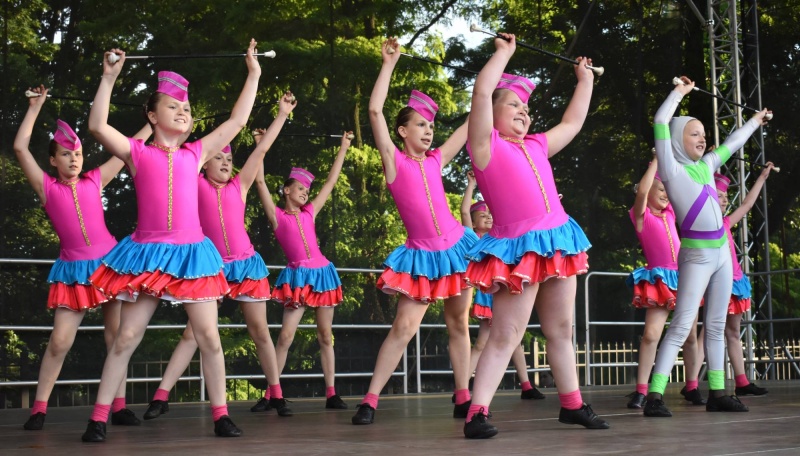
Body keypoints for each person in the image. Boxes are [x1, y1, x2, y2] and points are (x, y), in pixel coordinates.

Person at [81, 40, 261, 442]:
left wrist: (253, 74)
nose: (183, 111)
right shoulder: (136, 152)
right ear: (152, 115)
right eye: (173, 106)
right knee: (126, 337)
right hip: (147, 254)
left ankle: (221, 415)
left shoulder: (196, 154)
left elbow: (237, 121)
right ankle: (98, 418)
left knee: (209, 337)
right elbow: (97, 126)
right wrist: (108, 78)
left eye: (187, 108)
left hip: (192, 255)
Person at [461, 33, 608, 439]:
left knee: (561, 330)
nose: (523, 111)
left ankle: (572, 405)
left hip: (557, 241)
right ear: (491, 113)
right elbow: (482, 90)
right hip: (517, 249)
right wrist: (504, 54)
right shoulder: (485, 146)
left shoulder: (538, 145)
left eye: (526, 108)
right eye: (513, 104)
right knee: (506, 333)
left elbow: (572, 123)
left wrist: (585, 81)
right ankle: (476, 412)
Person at [141, 92, 297, 421]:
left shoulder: (240, 185)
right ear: (205, 161)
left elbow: (261, 151)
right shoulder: (193, 180)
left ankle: (276, 393)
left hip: (246, 265)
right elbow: (178, 152)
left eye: (229, 159)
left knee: (260, 331)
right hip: (211, 267)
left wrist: (282, 115)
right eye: (219, 158)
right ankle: (161, 395)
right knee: (192, 334)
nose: (226, 163)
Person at [351, 37, 476, 426]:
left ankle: (463, 396)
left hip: (457, 248)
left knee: (459, 323)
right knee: (403, 327)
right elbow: (374, 110)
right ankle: (370, 400)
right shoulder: (394, 162)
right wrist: (388, 64)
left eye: (431, 126)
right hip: (421, 256)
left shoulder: (437, 160)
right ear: (402, 131)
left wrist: (488, 87)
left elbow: (471, 124)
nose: (429, 130)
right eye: (421, 124)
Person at [13, 86, 148, 430]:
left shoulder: (95, 179)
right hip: (73, 270)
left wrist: (153, 122)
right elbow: (19, 148)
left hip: (110, 265)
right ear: (52, 160)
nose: (74, 159)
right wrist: (35, 108)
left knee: (116, 337)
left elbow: (131, 147)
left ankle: (118, 407)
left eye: (78, 153)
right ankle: (39, 409)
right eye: (65, 154)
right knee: (60, 341)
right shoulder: (46, 187)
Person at [643, 76, 770, 417]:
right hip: (697, 255)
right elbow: (660, 121)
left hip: (722, 255)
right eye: (693, 133)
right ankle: (654, 395)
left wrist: (755, 121)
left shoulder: (708, 165)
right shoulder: (671, 169)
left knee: (715, 325)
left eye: (702, 134)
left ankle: (717, 392)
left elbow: (734, 142)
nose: (702, 138)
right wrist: (678, 93)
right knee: (682, 325)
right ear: (677, 140)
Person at [255, 131, 352, 411]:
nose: (305, 193)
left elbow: (331, 182)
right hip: (297, 278)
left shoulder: (310, 212)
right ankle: (271, 394)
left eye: (307, 191)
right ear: (286, 190)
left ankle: (331, 393)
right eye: (300, 188)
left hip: (322, 275)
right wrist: (261, 144)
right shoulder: (277, 216)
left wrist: (343, 148)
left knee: (325, 335)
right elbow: (259, 181)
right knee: (285, 337)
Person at [625, 158, 704, 409]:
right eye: (661, 189)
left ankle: (691, 386)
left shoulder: (670, 212)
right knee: (651, 335)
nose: (666, 195)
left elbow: (685, 188)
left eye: (667, 191)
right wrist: (657, 160)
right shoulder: (641, 216)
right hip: (660, 280)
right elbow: (642, 192)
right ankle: (641, 390)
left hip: (684, 278)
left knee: (689, 337)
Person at [460, 171, 545, 401]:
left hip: (504, 291)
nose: (488, 217)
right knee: (483, 342)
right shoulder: (473, 238)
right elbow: (465, 211)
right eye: (482, 215)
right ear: (474, 222)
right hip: (488, 296)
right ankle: (463, 389)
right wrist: (471, 184)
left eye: (490, 214)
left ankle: (526, 386)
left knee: (514, 339)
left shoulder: (501, 238)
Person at [714, 169, 772, 396]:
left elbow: (747, 204)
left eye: (726, 196)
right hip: (718, 284)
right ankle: (693, 385)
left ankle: (742, 381)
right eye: (719, 195)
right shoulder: (704, 226)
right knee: (710, 333)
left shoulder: (726, 222)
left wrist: (762, 178)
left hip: (735, 282)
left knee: (733, 332)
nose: (725, 200)